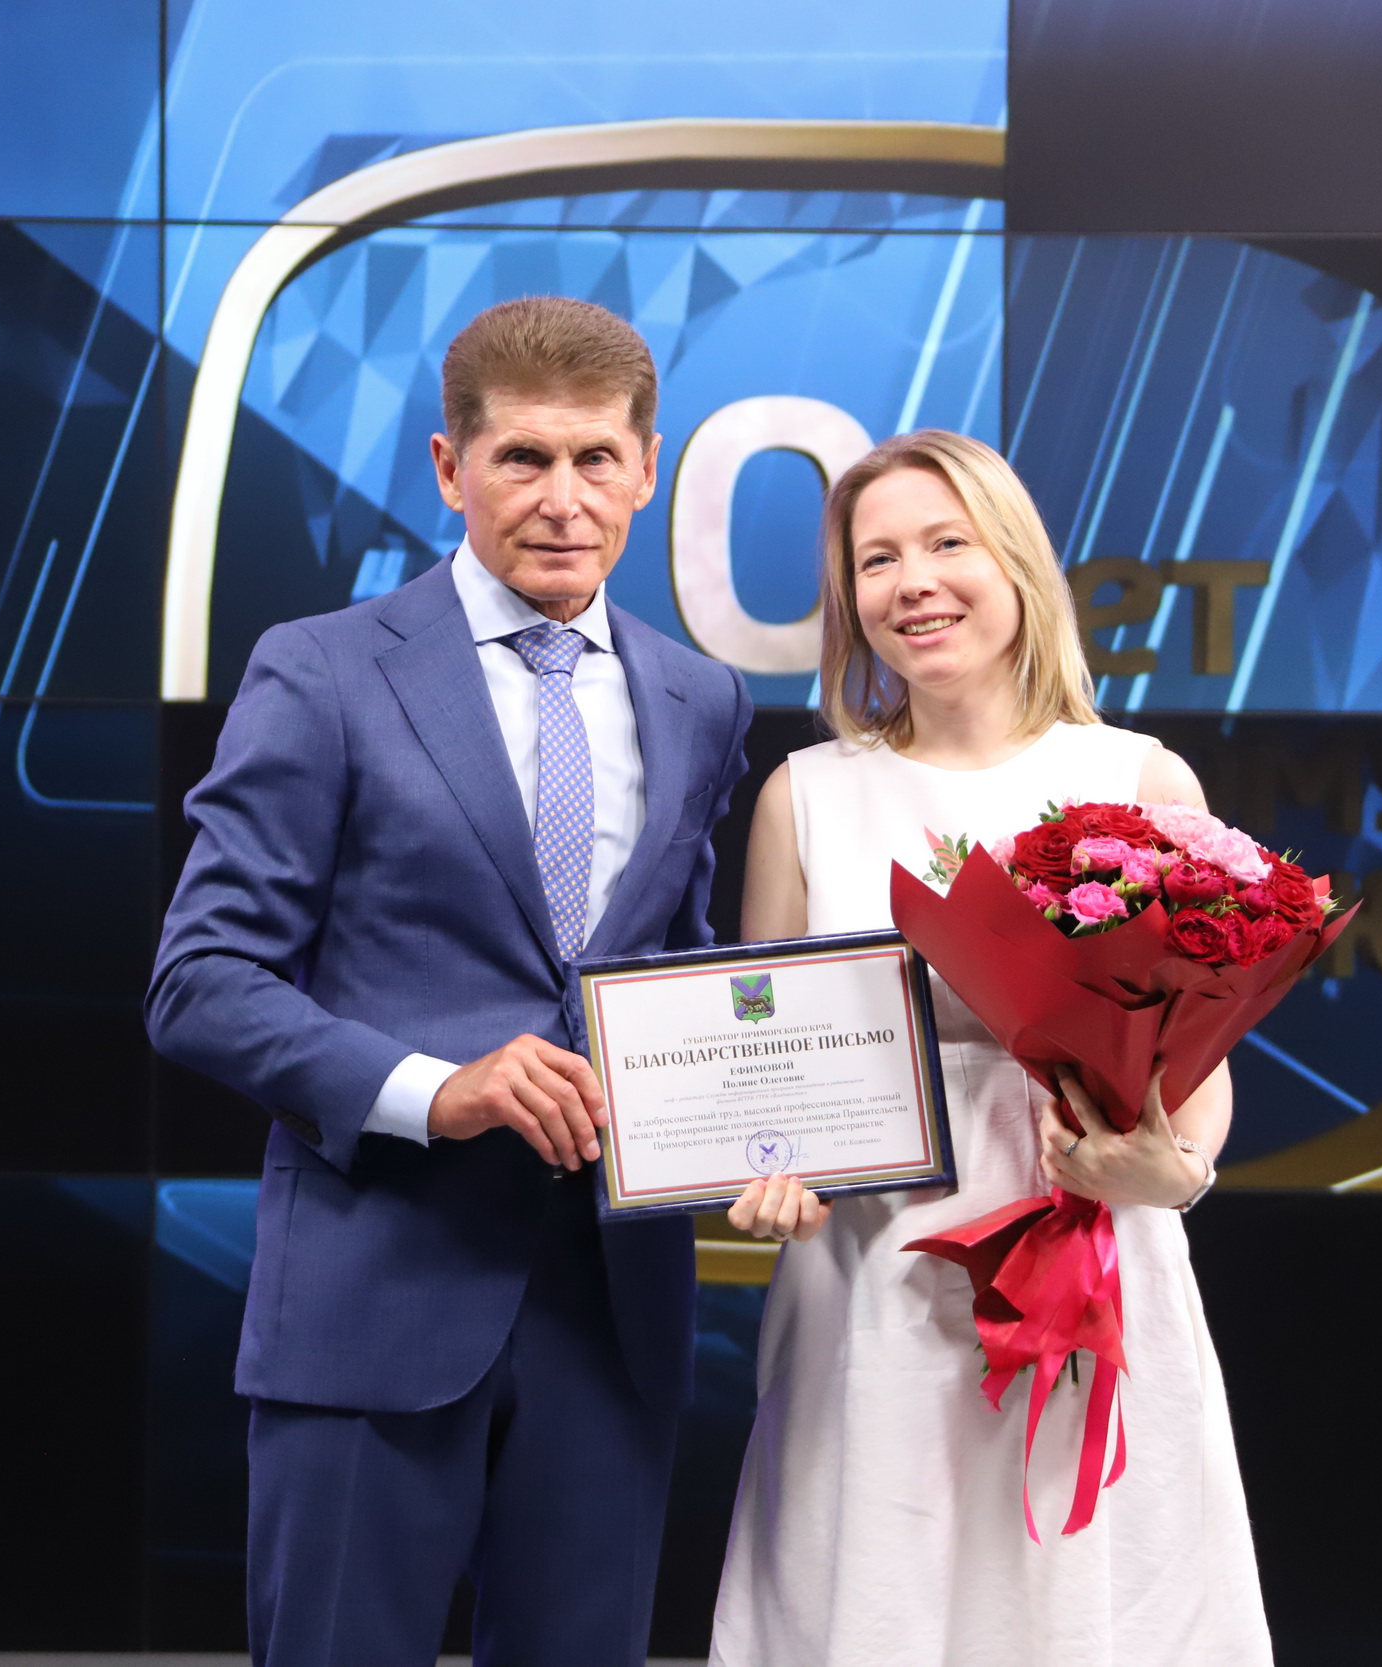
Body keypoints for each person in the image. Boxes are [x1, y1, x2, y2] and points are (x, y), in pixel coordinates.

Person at [146, 296, 752, 1667]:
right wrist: (437, 1088)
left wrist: (772, 1130)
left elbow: (675, 974)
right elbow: (201, 979)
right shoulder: (322, 668)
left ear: (647, 470)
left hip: (611, 1313)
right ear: (448, 465)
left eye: (595, 459)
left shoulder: (700, 698)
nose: (562, 498)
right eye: (522, 457)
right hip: (376, 1290)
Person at [707, 430, 1274, 1665]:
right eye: (875, 559)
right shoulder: (804, 795)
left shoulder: (1137, 777)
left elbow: (1196, 1071)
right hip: (872, 1272)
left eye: (946, 542)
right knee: (878, 1594)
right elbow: (770, 1061)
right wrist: (767, 1165)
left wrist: (1169, 1169)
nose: (912, 581)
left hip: (1092, 1259)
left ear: (1014, 561)